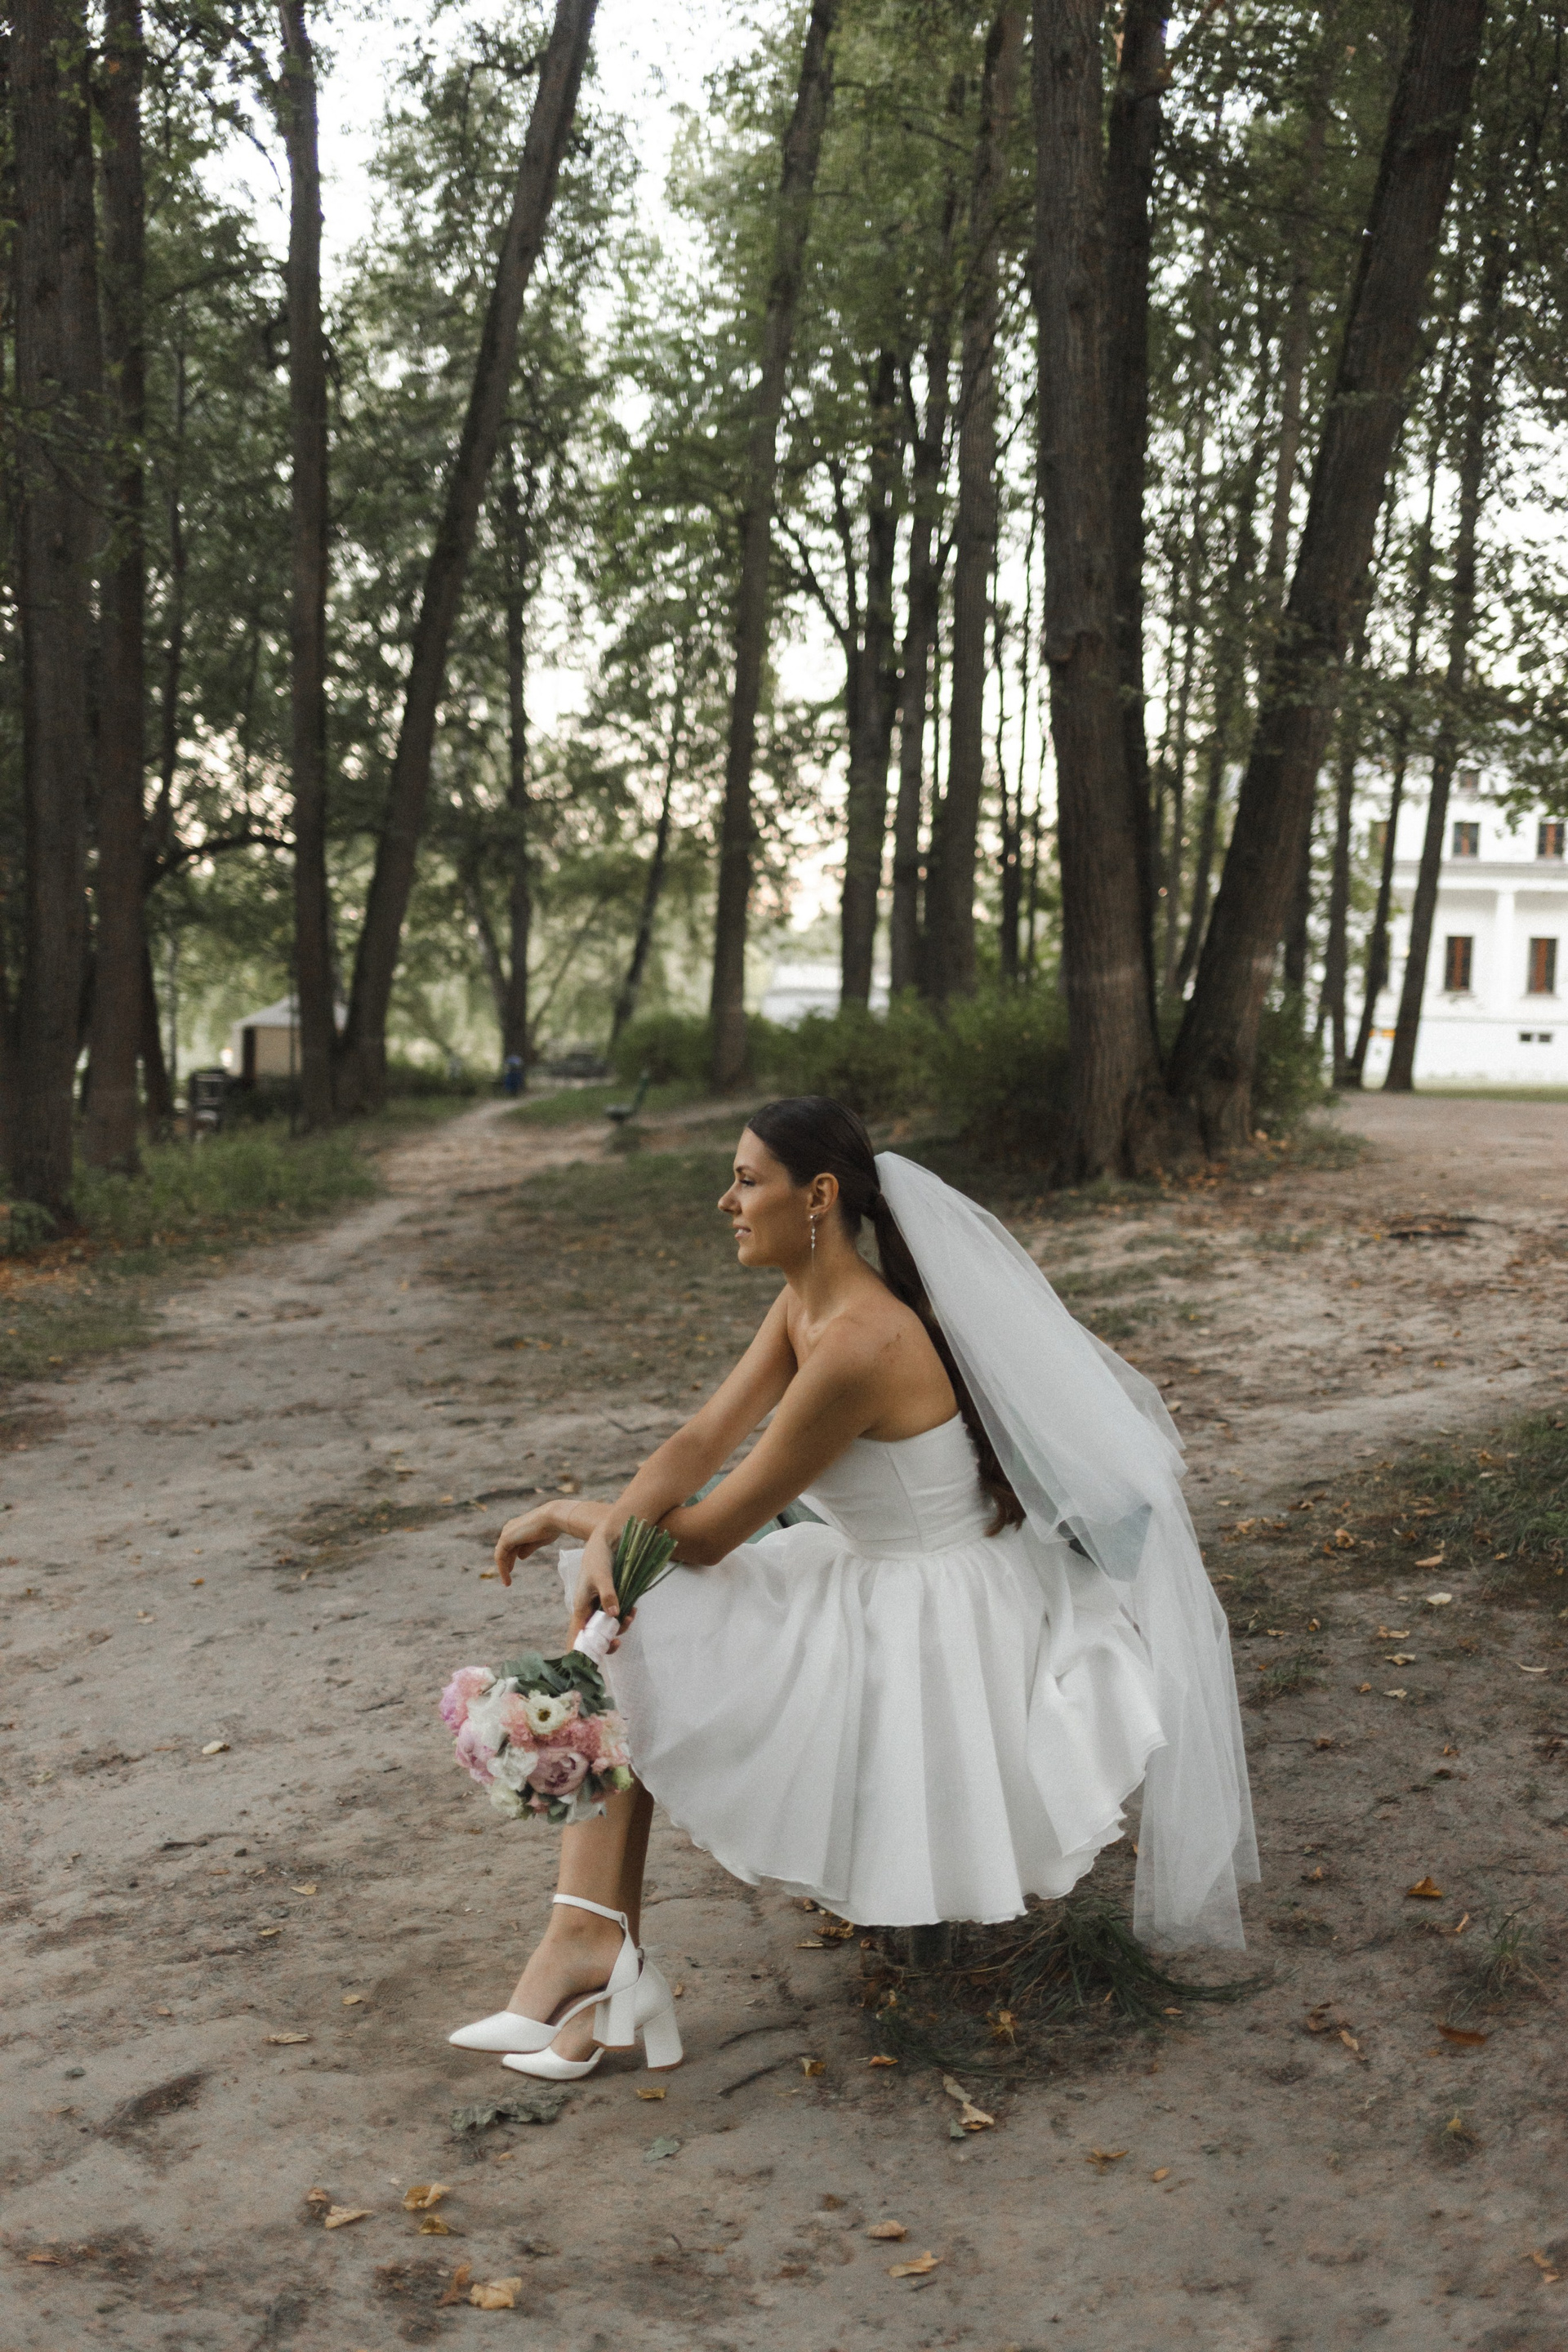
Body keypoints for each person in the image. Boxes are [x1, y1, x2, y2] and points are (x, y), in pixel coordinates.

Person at [448, 1098, 1256, 2080]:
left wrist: (578, 1518)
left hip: (932, 1611)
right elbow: (698, 1442)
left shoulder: (859, 1346)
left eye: (748, 1180)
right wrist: (613, 1527)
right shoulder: (806, 1304)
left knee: (639, 1612)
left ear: (818, 1195)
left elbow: (709, 1534)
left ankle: (592, 1958)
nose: (726, 1201)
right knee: (630, 1610)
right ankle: (592, 1955)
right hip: (866, 1569)